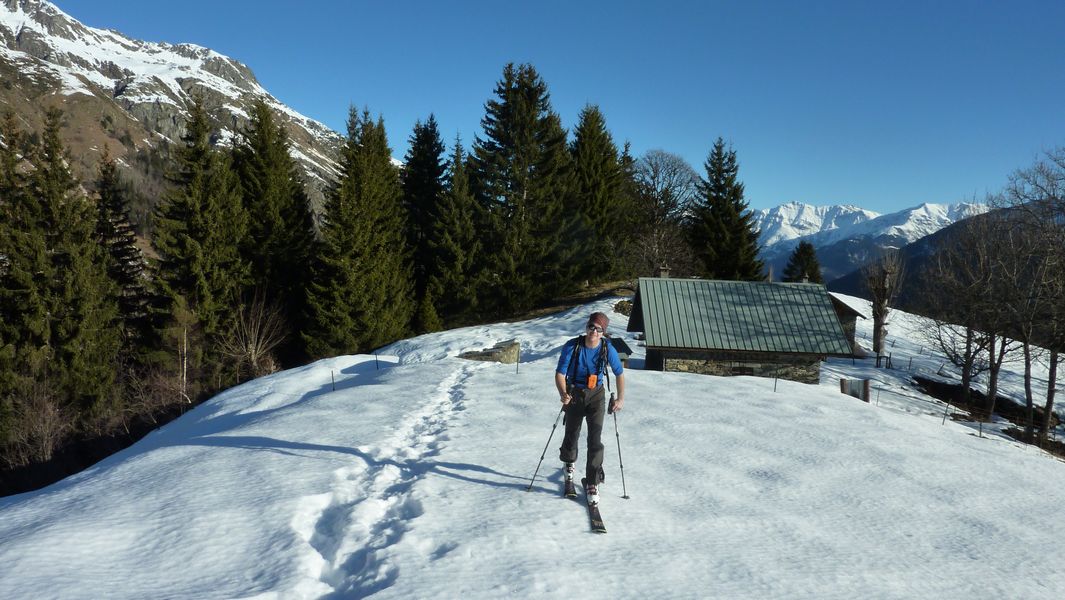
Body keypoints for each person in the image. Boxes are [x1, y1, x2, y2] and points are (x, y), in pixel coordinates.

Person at [554, 311, 625, 505]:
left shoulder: (606, 348)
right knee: (572, 433)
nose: (594, 331)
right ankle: (569, 466)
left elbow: (619, 373)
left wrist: (620, 398)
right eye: (591, 327)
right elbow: (560, 374)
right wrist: (563, 393)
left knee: (595, 438)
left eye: (599, 329)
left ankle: (592, 481)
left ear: (603, 332)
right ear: (587, 327)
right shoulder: (572, 346)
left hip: (597, 395)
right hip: (575, 393)